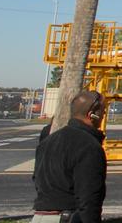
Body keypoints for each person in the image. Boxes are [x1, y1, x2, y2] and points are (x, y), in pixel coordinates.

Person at [33, 90, 107, 223]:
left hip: (39, 217)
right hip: (67, 217)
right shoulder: (89, 146)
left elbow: (36, 179)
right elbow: (89, 198)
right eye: (103, 112)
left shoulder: (48, 142)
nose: (103, 116)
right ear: (92, 115)